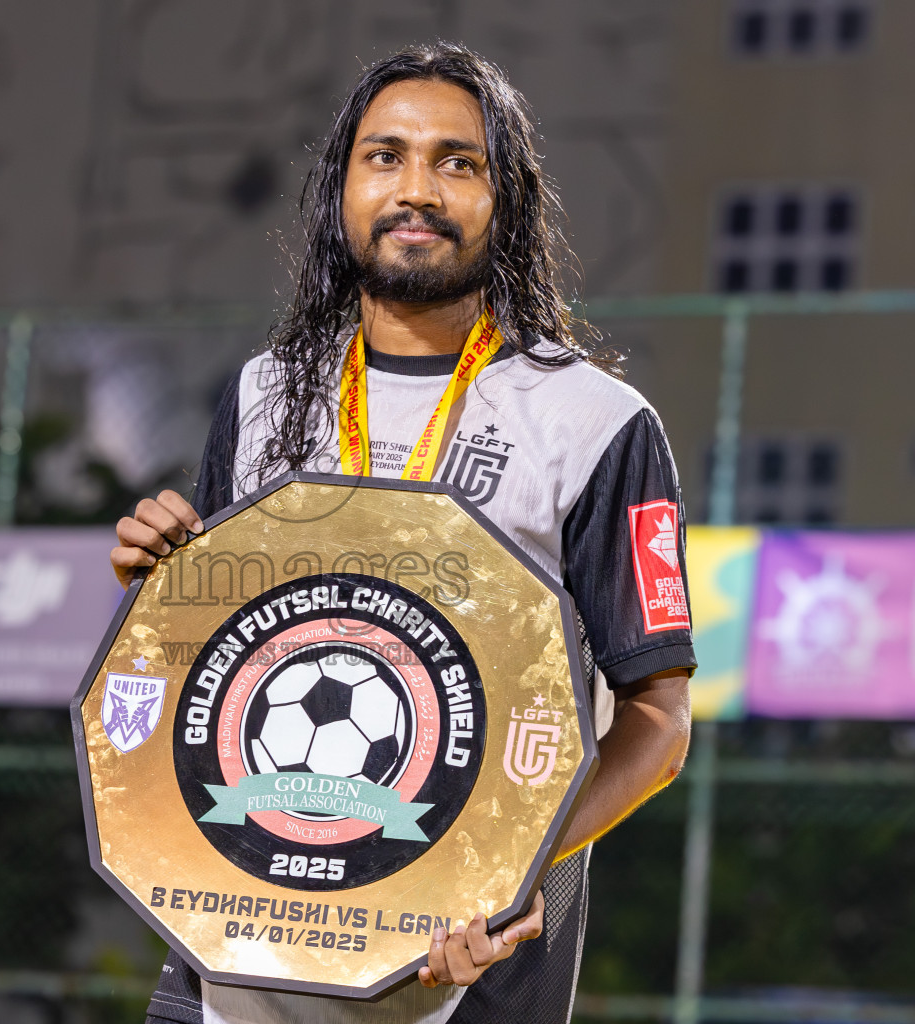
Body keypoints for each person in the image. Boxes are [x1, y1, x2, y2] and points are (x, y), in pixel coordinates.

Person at [111, 42, 694, 1024]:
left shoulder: (594, 423)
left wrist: (499, 868)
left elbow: (658, 725)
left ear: (506, 198)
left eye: (455, 162)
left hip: (461, 980)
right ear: (340, 189)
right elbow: (206, 675)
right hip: (237, 971)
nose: (415, 188)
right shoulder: (263, 397)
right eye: (385, 156)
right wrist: (155, 582)